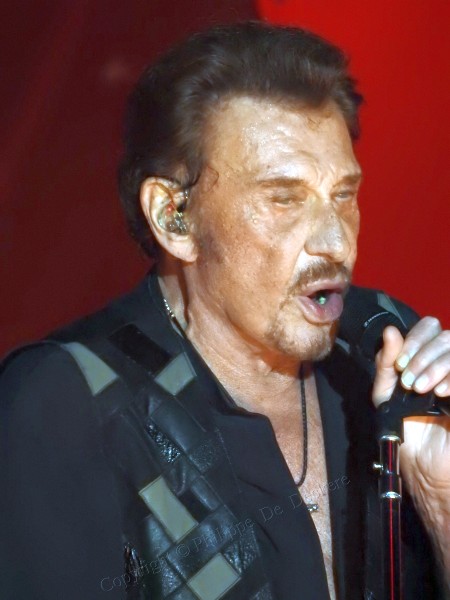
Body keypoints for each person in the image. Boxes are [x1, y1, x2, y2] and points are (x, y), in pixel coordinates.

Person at [1, 21, 449, 600]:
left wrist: (440, 502)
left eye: (344, 195)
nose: (337, 242)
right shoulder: (65, 403)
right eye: (283, 199)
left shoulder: (381, 351)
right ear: (174, 219)